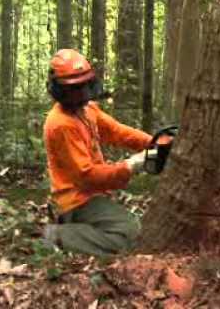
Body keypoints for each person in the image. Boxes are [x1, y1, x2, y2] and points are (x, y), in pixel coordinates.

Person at [42, 48, 166, 256]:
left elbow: (117, 132)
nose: (81, 93)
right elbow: (86, 176)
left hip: (94, 195)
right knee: (132, 235)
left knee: (132, 228)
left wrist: (154, 143)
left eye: (84, 86)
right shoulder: (60, 124)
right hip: (76, 201)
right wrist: (130, 166)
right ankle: (59, 235)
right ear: (59, 90)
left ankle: (81, 233)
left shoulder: (88, 110)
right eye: (74, 88)